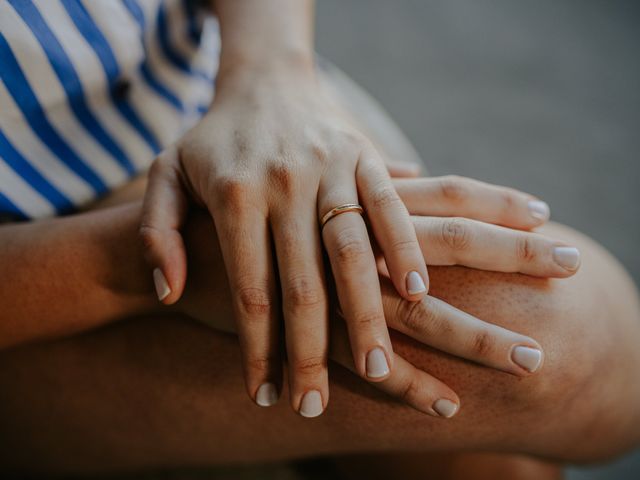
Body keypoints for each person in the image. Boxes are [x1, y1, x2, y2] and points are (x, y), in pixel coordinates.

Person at [1, 1, 639, 478]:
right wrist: (169, 258)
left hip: (235, 97)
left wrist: (269, 75)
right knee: (545, 338)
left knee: (489, 462)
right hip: (43, 276)